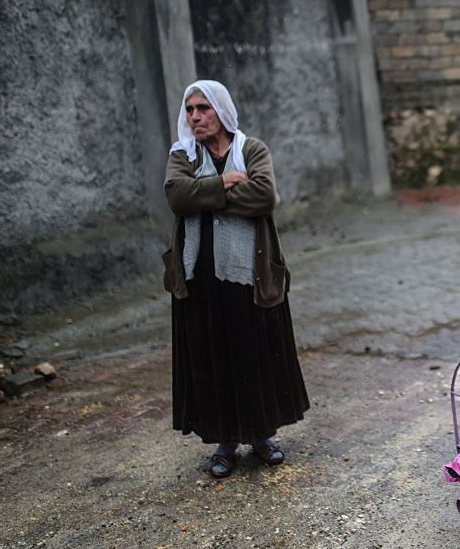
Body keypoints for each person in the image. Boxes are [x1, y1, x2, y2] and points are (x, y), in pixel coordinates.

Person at [162, 80, 309, 478]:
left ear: (221, 111)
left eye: (203, 109)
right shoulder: (183, 155)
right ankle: (224, 443)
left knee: (253, 353)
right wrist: (225, 183)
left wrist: (204, 195)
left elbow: (264, 197)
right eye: (189, 109)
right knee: (213, 357)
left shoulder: (252, 149)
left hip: (249, 274)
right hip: (200, 278)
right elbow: (177, 197)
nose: (194, 117)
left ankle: (261, 437)